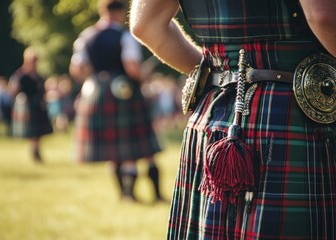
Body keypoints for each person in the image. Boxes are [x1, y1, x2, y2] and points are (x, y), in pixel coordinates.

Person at [130, 0, 336, 239]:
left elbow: (146, 25)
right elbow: (323, 16)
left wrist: (222, 75)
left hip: (212, 114)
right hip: (293, 114)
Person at [70, 0, 163, 202]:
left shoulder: (86, 36)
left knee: (113, 150)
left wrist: (97, 75)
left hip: (95, 93)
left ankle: (125, 194)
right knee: (130, 148)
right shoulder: (124, 36)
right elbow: (132, 68)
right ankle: (134, 193)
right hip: (124, 92)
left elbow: (77, 70)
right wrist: (142, 76)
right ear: (120, 12)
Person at [9, 47, 53, 163]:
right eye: (33, 60)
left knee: (38, 132)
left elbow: (43, 91)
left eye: (36, 60)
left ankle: (37, 151)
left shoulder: (39, 76)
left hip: (38, 106)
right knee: (33, 132)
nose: (35, 62)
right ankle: (35, 152)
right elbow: (13, 91)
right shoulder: (20, 75)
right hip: (27, 106)